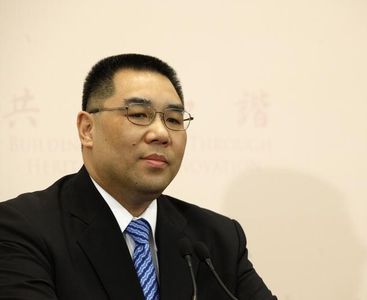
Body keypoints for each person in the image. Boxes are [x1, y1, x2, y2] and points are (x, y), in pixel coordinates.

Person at [0, 54, 277, 300]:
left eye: (173, 119)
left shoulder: (217, 239)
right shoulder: (23, 228)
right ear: (87, 129)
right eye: (139, 114)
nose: (161, 133)